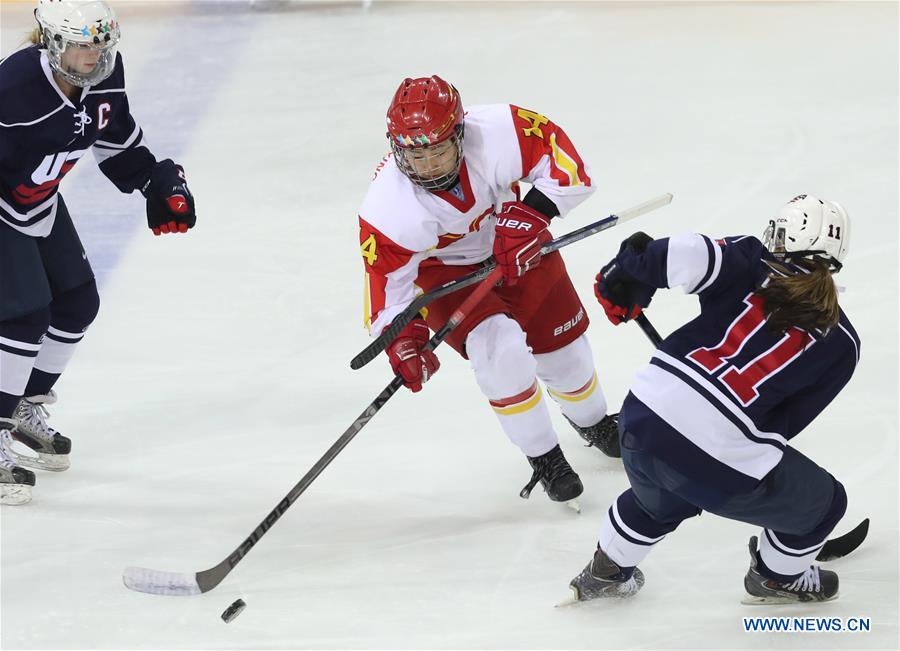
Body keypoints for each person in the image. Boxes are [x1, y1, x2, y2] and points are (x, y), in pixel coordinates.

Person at [565, 194, 858, 603]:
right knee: (827, 504)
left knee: (659, 497)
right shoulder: (843, 344)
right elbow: (784, 425)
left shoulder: (751, 259)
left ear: (782, 235)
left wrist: (628, 272)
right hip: (715, 455)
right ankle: (777, 576)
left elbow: (683, 252)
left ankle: (608, 568)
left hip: (642, 415)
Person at [358, 75, 620, 506]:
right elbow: (385, 293)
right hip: (445, 276)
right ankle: (545, 457)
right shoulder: (387, 208)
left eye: (436, 150)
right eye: (413, 153)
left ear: (459, 133)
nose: (425, 166)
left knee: (566, 355)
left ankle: (593, 423)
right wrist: (403, 343)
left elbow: (569, 168)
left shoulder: (500, 130)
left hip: (516, 244)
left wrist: (532, 215)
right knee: (500, 352)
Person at [0, 0, 197, 506]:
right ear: (55, 44)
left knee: (76, 302)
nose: (97, 56)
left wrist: (153, 180)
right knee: (23, 315)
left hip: (38, 202)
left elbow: (114, 133)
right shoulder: (16, 86)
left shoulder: (103, 74)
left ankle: (23, 405)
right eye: (85, 46)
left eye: (103, 45)